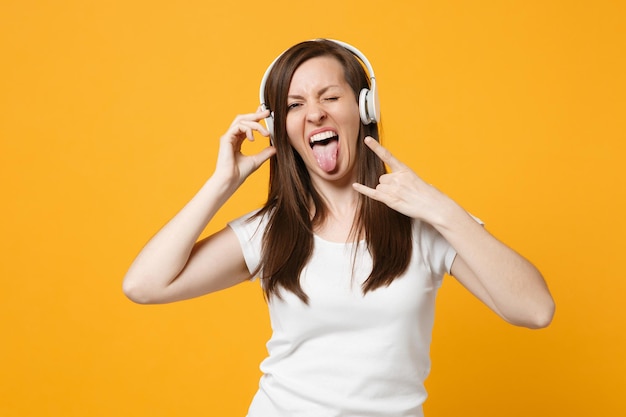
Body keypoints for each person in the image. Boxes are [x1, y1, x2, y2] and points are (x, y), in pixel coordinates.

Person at [123, 39, 555, 417]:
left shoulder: (424, 223)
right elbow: (144, 285)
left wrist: (441, 210)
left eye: (329, 97)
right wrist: (222, 184)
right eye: (294, 106)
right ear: (279, 129)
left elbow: (535, 310)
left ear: (365, 108)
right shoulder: (271, 230)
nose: (313, 114)